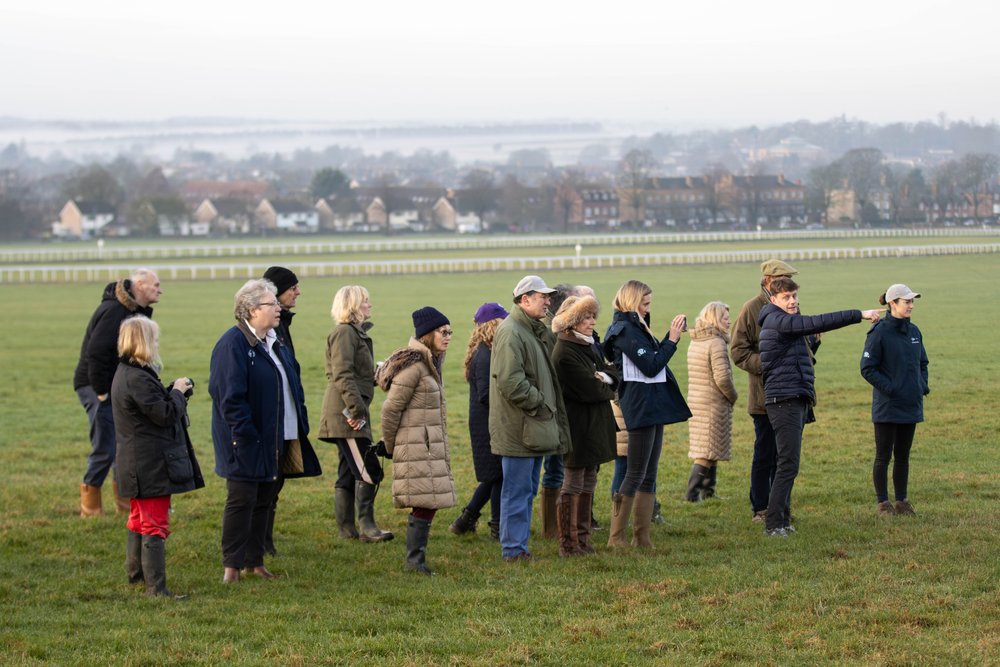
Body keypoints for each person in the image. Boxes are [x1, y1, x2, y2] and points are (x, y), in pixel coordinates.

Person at [209, 279, 322, 582]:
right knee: (241, 500)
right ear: (251, 309)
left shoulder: (275, 341)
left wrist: (300, 423)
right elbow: (229, 399)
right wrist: (245, 436)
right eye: (272, 304)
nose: (278, 309)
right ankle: (231, 568)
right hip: (246, 440)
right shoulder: (232, 345)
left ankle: (254, 561)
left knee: (264, 500)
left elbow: (293, 384)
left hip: (279, 437)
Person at [759, 277, 881, 537]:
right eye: (786, 298)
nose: (792, 302)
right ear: (773, 300)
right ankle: (773, 524)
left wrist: (813, 343)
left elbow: (791, 357)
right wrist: (859, 314)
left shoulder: (784, 323)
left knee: (788, 463)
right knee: (787, 464)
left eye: (794, 296)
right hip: (784, 400)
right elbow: (817, 321)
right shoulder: (776, 320)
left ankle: (782, 519)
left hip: (795, 397)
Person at [111, 316, 203, 598]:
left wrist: (170, 391)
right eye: (154, 339)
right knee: (154, 523)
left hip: (136, 463)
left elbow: (148, 409)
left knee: (138, 519)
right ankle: (156, 589)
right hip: (150, 465)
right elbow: (164, 415)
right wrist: (177, 393)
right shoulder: (138, 378)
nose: (157, 343)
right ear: (143, 342)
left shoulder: (127, 373)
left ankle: (137, 577)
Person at [489, 275, 571, 562]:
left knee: (526, 490)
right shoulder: (512, 332)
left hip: (532, 426)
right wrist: (541, 404)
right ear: (525, 300)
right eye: (542, 297)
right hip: (520, 427)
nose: (548, 301)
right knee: (517, 490)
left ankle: (518, 546)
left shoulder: (532, 330)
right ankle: (513, 550)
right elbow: (511, 382)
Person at [603, 280, 690, 548]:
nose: (647, 308)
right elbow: (651, 365)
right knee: (635, 472)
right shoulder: (625, 331)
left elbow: (651, 360)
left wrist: (665, 339)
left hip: (653, 405)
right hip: (639, 406)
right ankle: (616, 538)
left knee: (649, 473)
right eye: (645, 303)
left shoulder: (637, 328)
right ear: (632, 302)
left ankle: (642, 537)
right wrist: (672, 339)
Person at [74, 268, 162, 518]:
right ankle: (90, 509)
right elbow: (97, 352)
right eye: (155, 285)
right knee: (106, 444)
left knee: (122, 445)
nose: (160, 289)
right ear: (140, 286)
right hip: (95, 385)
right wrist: (102, 392)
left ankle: (124, 505)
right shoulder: (114, 311)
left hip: (116, 387)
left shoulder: (132, 312)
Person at [375, 307, 457, 574]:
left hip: (427, 445)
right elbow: (390, 410)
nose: (448, 337)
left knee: (427, 502)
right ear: (427, 335)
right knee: (425, 502)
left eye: (450, 332)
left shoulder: (431, 363)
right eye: (443, 332)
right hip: (416, 446)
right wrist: (390, 446)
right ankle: (414, 562)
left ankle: (416, 560)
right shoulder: (415, 368)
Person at [318, 285, 393, 543]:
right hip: (347, 415)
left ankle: (347, 529)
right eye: (365, 302)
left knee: (348, 470)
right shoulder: (344, 333)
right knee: (369, 469)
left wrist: (380, 374)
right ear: (352, 306)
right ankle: (367, 527)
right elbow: (342, 374)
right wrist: (356, 409)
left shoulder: (353, 334)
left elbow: (355, 375)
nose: (369, 306)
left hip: (350, 410)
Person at [730, 259, 798, 523]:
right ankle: (760, 507)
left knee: (787, 456)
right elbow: (737, 351)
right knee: (765, 454)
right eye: (784, 277)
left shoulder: (792, 305)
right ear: (769, 280)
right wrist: (767, 364)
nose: (789, 284)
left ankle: (780, 508)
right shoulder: (751, 309)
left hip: (790, 395)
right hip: (763, 396)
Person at [551, 295, 619, 556]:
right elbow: (592, 390)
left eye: (592, 317)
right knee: (573, 483)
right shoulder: (565, 352)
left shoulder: (587, 345)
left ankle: (583, 539)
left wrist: (605, 378)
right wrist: (605, 382)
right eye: (586, 318)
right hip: (577, 427)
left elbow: (612, 374)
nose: (591, 322)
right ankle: (568, 544)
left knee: (589, 479)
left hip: (594, 426)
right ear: (572, 322)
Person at [861, 284, 929, 517]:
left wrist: (922, 385)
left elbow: (923, 363)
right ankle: (883, 503)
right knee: (883, 456)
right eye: (906, 301)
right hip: (888, 406)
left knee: (903, 456)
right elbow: (867, 368)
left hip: (911, 404)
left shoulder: (914, 332)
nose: (910, 305)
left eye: (912, 301)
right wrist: (892, 389)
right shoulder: (879, 332)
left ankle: (901, 501)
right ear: (892, 304)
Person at [450, 302, 509, 540]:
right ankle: (496, 527)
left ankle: (466, 520)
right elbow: (486, 394)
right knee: (497, 476)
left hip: (487, 421)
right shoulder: (485, 354)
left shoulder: (487, 350)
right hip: (486, 423)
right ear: (493, 324)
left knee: (494, 475)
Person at [260, 265, 302, 556]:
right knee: (266, 484)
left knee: (277, 481)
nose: (298, 292)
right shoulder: (268, 329)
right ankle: (257, 542)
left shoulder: (282, 325)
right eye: (292, 287)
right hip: (270, 423)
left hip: (286, 418)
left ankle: (265, 540)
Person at [685, 301, 738, 501]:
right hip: (713, 403)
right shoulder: (716, 343)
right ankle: (692, 494)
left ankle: (708, 492)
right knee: (706, 451)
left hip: (698, 401)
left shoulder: (697, 340)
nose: (729, 321)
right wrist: (733, 396)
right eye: (725, 317)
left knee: (710, 447)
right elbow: (722, 378)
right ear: (715, 319)